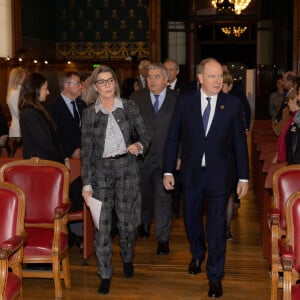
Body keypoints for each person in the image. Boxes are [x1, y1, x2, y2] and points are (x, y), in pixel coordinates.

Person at [163, 58, 249, 298]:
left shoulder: (232, 105)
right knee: (190, 220)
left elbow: (240, 145)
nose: (218, 80)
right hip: (191, 174)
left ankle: (215, 277)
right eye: (212, 76)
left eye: (220, 76)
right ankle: (198, 252)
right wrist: (168, 170)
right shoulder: (185, 102)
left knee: (217, 226)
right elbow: (173, 138)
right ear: (200, 78)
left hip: (220, 176)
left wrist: (244, 177)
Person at [80, 65, 150, 295]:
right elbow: (87, 151)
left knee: (128, 224)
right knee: (102, 227)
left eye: (111, 81)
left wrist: (138, 146)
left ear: (115, 84)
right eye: (102, 82)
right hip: (100, 173)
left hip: (126, 168)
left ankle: (127, 256)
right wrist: (87, 184)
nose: (108, 85)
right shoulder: (90, 114)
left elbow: (145, 137)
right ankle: (105, 273)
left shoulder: (128, 107)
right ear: (95, 87)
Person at [130, 63, 178, 254]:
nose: (152, 81)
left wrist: (179, 156)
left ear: (166, 79)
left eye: (157, 77)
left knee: (164, 198)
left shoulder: (177, 99)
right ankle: (144, 222)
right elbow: (130, 127)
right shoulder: (136, 98)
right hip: (142, 158)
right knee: (144, 195)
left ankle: (163, 239)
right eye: (149, 77)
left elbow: (182, 131)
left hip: (166, 157)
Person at [18, 72, 67, 164]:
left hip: (47, 163)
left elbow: (54, 138)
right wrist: (61, 161)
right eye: (45, 89)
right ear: (35, 90)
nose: (48, 92)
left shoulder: (38, 110)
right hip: (41, 166)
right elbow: (44, 145)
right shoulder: (30, 114)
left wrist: (64, 158)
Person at [273, 88, 300, 163]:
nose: (287, 104)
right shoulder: (292, 118)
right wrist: (278, 155)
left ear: (292, 100)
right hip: (289, 160)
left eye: (287, 101)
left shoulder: (295, 119)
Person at [6, 67, 27, 157]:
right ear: (18, 78)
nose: (25, 80)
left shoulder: (17, 91)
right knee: (17, 157)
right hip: (18, 129)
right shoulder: (15, 92)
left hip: (19, 127)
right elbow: (19, 113)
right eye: (24, 78)